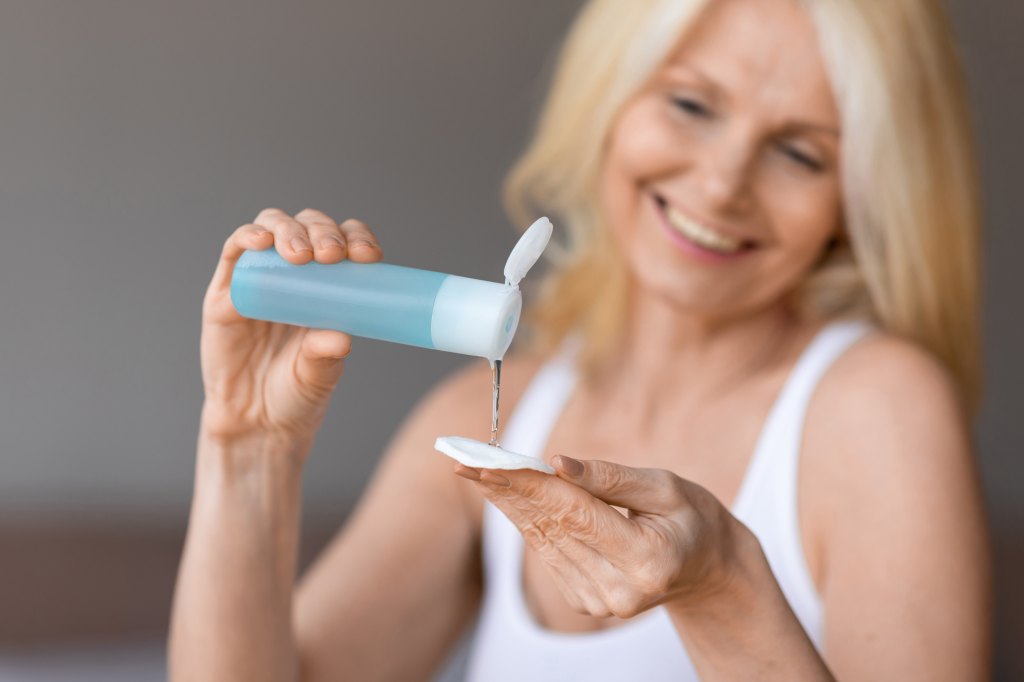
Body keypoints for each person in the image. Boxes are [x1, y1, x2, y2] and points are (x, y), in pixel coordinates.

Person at [169, 0, 991, 679]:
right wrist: (248, 449)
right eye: (691, 104)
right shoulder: (494, 414)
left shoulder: (878, 408)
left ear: (858, 198)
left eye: (799, 153)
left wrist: (724, 590)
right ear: (610, 100)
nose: (721, 184)